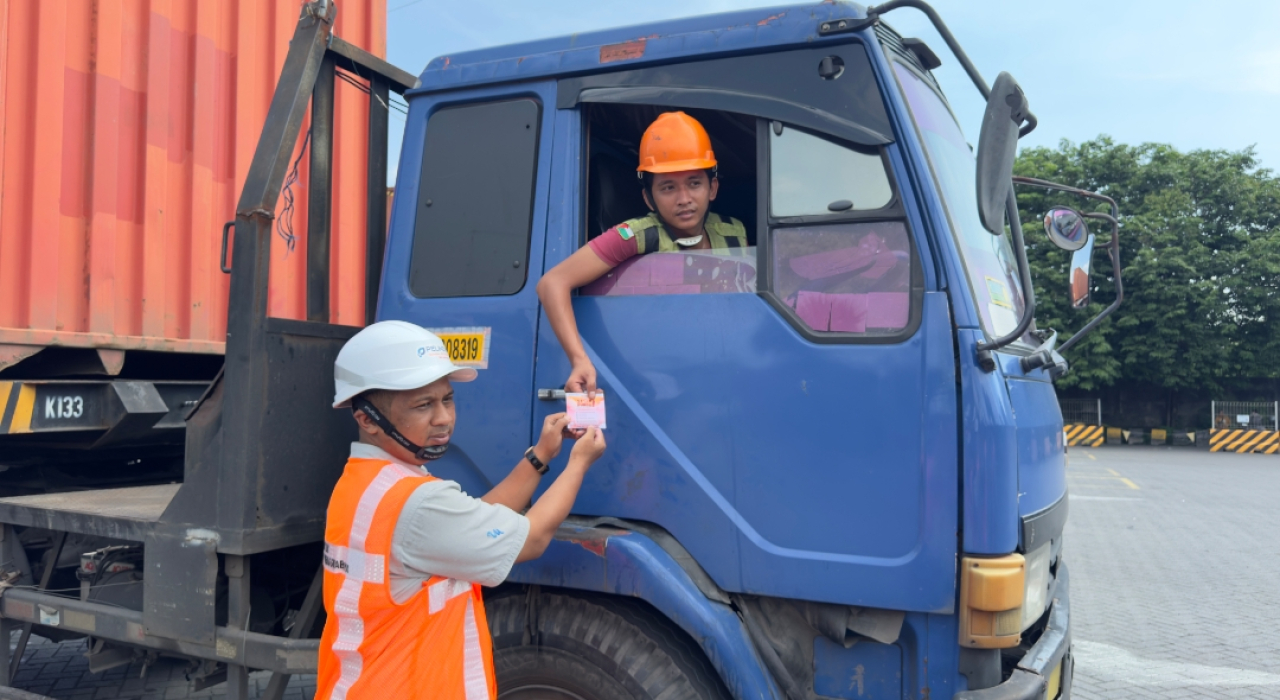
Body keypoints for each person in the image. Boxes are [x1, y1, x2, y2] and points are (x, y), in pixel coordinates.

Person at [316, 320, 606, 699]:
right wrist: (578, 464)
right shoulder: (415, 502)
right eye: (424, 405)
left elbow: (475, 521)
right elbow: (531, 540)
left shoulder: (367, 483)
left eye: (447, 399)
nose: (444, 418)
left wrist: (541, 455)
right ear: (367, 419)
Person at [536, 111, 747, 396]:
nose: (684, 199)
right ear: (648, 198)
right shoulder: (635, 235)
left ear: (713, 188)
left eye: (694, 183)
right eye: (668, 187)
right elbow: (552, 283)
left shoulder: (735, 233)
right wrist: (579, 359)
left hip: (722, 367)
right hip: (663, 370)